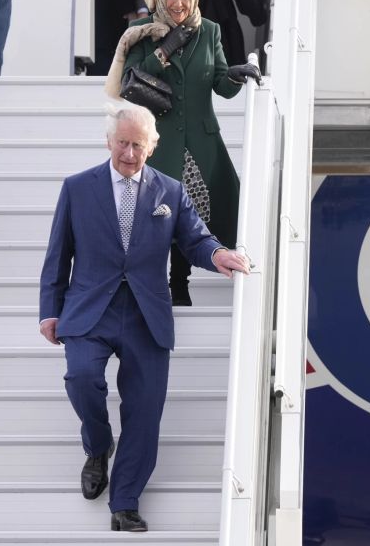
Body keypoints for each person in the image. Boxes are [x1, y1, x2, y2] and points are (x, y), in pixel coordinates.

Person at [38, 101, 250, 531]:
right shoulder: (77, 188)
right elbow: (58, 254)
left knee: (145, 409)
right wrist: (49, 310)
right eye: (122, 144)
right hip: (89, 310)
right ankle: (98, 446)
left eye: (138, 145)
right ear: (108, 142)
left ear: (152, 146)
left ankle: (125, 502)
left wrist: (219, 253)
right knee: (80, 379)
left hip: (145, 313)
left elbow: (195, 239)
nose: (129, 154)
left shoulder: (170, 191)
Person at [104, 0, 260, 305]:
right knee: (159, 213)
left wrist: (236, 74)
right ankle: (157, 281)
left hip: (200, 142)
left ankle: (180, 281)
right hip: (158, 142)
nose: (178, 3)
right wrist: (164, 49)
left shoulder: (210, 31)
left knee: (195, 211)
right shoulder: (140, 31)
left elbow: (221, 85)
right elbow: (130, 84)